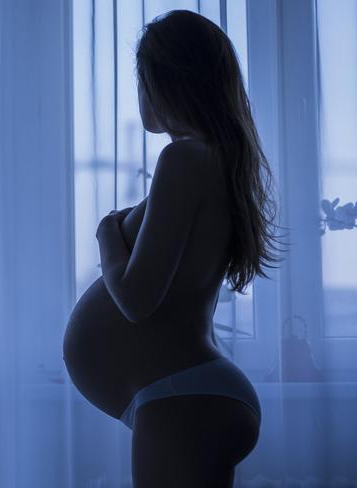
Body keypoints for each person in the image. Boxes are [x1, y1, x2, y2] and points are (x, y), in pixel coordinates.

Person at [62, 9, 288, 487]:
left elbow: (136, 299)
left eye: (143, 79)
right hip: (186, 396)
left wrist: (107, 233)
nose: (140, 93)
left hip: (182, 400)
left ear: (167, 81)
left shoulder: (184, 158)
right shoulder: (216, 161)